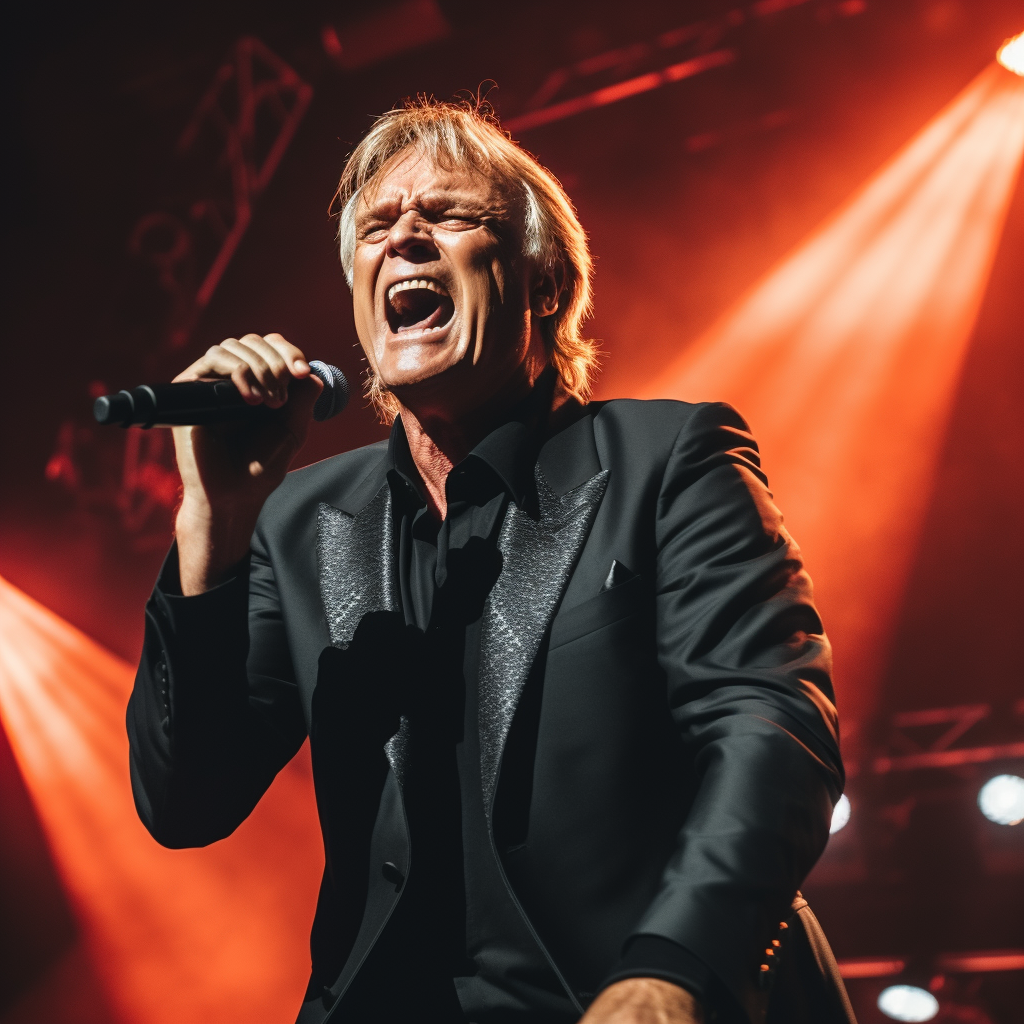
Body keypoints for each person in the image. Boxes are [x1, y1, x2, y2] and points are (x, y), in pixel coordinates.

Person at [127, 98, 846, 1024]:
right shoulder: (303, 520)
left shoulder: (667, 462)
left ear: (544, 285)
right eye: (376, 227)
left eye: (452, 215)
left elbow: (770, 726)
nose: (406, 239)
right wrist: (212, 523)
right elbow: (186, 802)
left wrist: (673, 968)